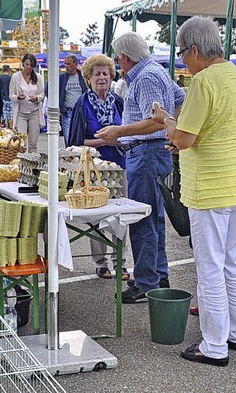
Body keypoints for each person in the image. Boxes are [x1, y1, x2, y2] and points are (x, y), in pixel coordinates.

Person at [150, 16, 236, 365]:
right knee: (233, 263)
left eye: (183, 53)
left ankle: (214, 345)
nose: (183, 60)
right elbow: (215, 130)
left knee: (210, 267)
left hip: (211, 186)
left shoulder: (203, 81)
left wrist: (164, 120)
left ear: (195, 49)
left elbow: (184, 137)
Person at [96, 32, 185, 303]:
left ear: (125, 57)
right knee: (153, 216)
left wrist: (120, 132)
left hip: (145, 152)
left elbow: (156, 120)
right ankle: (158, 274)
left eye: (117, 58)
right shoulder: (155, 70)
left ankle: (146, 282)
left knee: (143, 218)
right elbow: (180, 98)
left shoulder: (144, 77)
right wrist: (174, 132)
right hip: (153, 151)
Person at [67, 54, 128, 280]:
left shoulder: (119, 102)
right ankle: (100, 263)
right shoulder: (81, 105)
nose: (102, 78)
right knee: (97, 216)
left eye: (105, 73)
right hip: (94, 169)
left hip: (119, 166)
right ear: (88, 79)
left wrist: (119, 139)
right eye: (97, 74)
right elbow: (74, 142)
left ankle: (120, 262)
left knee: (121, 216)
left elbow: (129, 134)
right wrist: (104, 141)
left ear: (112, 77)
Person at [10, 53, 44, 152]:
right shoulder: (16, 77)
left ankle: (33, 164)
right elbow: (11, 95)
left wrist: (37, 98)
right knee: (22, 142)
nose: (29, 67)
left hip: (35, 113)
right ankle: (21, 164)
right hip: (21, 113)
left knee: (33, 143)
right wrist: (18, 97)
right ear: (23, 64)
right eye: (27, 64)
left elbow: (42, 94)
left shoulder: (38, 77)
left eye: (31, 65)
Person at [52, 54, 87, 144]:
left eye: (69, 64)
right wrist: (61, 107)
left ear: (75, 64)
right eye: (65, 64)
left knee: (81, 139)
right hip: (68, 112)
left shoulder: (82, 77)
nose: (66, 66)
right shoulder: (62, 78)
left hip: (81, 112)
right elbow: (51, 90)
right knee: (69, 140)